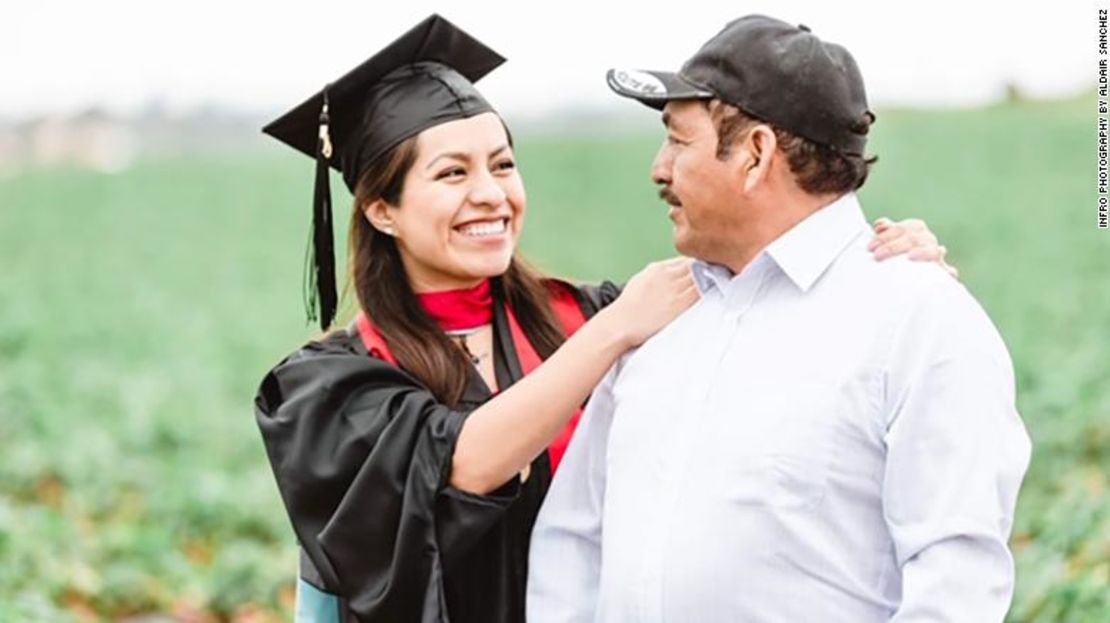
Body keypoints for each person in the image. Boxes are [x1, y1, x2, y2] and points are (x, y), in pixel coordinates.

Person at [254, 14, 957, 623]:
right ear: (382, 210)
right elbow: (462, 460)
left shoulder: (580, 314)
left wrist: (870, 260)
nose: (491, 194)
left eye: (502, 164)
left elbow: (764, 294)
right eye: (452, 174)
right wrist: (614, 331)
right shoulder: (327, 392)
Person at [527, 14, 1031, 623]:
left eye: (679, 140)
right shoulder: (654, 316)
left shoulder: (920, 321)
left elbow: (955, 587)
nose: (659, 169)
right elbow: (574, 542)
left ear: (755, 154)